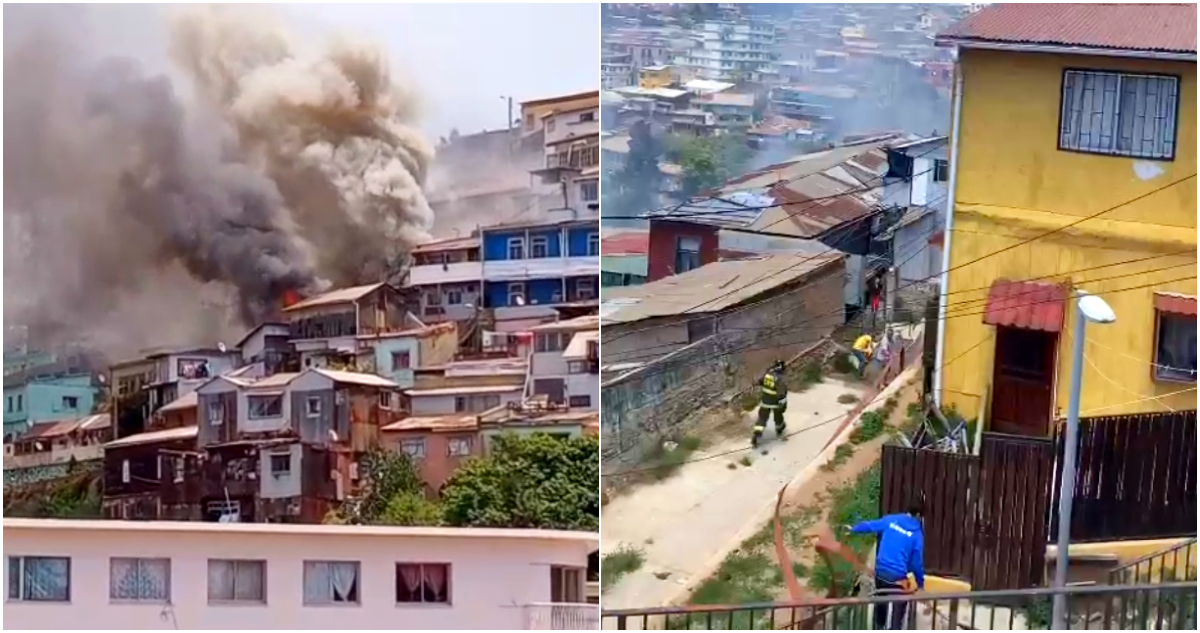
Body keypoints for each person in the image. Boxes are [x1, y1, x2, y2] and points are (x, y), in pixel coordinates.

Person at [849, 496, 926, 630]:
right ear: (919, 515)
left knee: (881, 601)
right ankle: (895, 628)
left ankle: (878, 626)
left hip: (881, 572)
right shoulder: (917, 535)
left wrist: (854, 528)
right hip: (897, 578)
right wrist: (920, 585)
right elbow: (916, 564)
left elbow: (871, 525)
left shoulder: (892, 520)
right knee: (901, 604)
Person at [753, 360, 788, 447]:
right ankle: (779, 429)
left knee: (762, 418)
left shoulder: (767, 375)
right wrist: (783, 405)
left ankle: (757, 432)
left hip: (765, 401)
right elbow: (781, 394)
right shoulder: (779, 379)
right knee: (778, 417)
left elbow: (759, 382)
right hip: (775, 403)